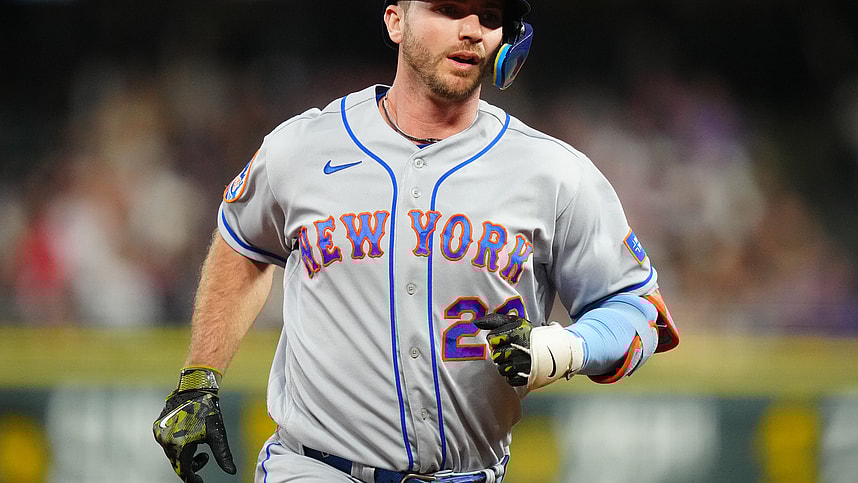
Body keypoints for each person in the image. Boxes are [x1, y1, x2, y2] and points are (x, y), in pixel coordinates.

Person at [153, 1, 680, 482]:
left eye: (490, 16)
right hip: (315, 469)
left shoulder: (555, 174)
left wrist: (559, 349)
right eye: (449, 9)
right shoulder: (302, 147)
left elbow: (638, 311)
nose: (471, 30)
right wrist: (199, 377)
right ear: (395, 21)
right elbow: (240, 247)